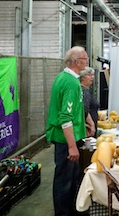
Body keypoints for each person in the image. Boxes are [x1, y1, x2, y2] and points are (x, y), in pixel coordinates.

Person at [46, 46, 88, 216]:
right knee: (65, 180)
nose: (87, 61)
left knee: (69, 178)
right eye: (85, 59)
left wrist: (86, 123)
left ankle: (69, 210)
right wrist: (72, 146)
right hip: (65, 141)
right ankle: (63, 213)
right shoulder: (71, 83)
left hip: (67, 138)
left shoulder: (63, 77)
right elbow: (65, 117)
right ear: (78, 62)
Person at [80, 67, 98, 138]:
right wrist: (91, 124)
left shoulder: (86, 90)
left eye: (93, 75)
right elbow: (85, 109)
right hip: (88, 128)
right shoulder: (84, 91)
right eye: (89, 75)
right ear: (82, 77)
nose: (92, 77)